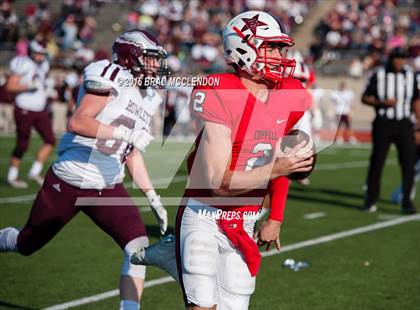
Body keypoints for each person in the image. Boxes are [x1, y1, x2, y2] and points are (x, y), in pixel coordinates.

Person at [132, 11, 313, 309]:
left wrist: (276, 216)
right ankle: (174, 253)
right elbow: (217, 182)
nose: (281, 55)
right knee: (202, 305)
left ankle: (170, 255)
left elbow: (283, 159)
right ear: (243, 49)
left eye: (282, 48)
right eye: (272, 47)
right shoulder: (220, 89)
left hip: (245, 218)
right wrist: (278, 167)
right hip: (205, 212)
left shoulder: (290, 94)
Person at [0, 30, 169, 310]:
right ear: (130, 56)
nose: (155, 66)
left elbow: (132, 152)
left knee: (138, 246)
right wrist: (124, 135)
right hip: (72, 176)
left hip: (107, 183)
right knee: (28, 243)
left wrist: (152, 196)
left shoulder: (149, 97)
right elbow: (79, 122)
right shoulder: (109, 74)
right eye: (149, 59)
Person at [362, 47, 420, 214]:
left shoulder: (411, 75)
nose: (399, 62)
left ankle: (406, 200)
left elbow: (416, 100)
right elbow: (365, 97)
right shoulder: (379, 74)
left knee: (409, 164)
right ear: (391, 59)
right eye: (397, 58)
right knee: (377, 162)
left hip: (404, 123)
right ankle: (371, 199)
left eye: (402, 58)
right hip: (383, 123)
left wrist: (418, 126)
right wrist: (382, 103)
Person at [5, 40, 55, 188]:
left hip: (40, 109)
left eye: (43, 54)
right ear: (31, 52)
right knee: (23, 143)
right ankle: (12, 176)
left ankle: (34, 172)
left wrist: (47, 90)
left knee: (50, 139)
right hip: (24, 107)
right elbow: (10, 86)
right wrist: (27, 87)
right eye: (38, 53)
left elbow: (40, 83)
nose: (41, 57)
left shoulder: (44, 64)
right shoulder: (23, 63)